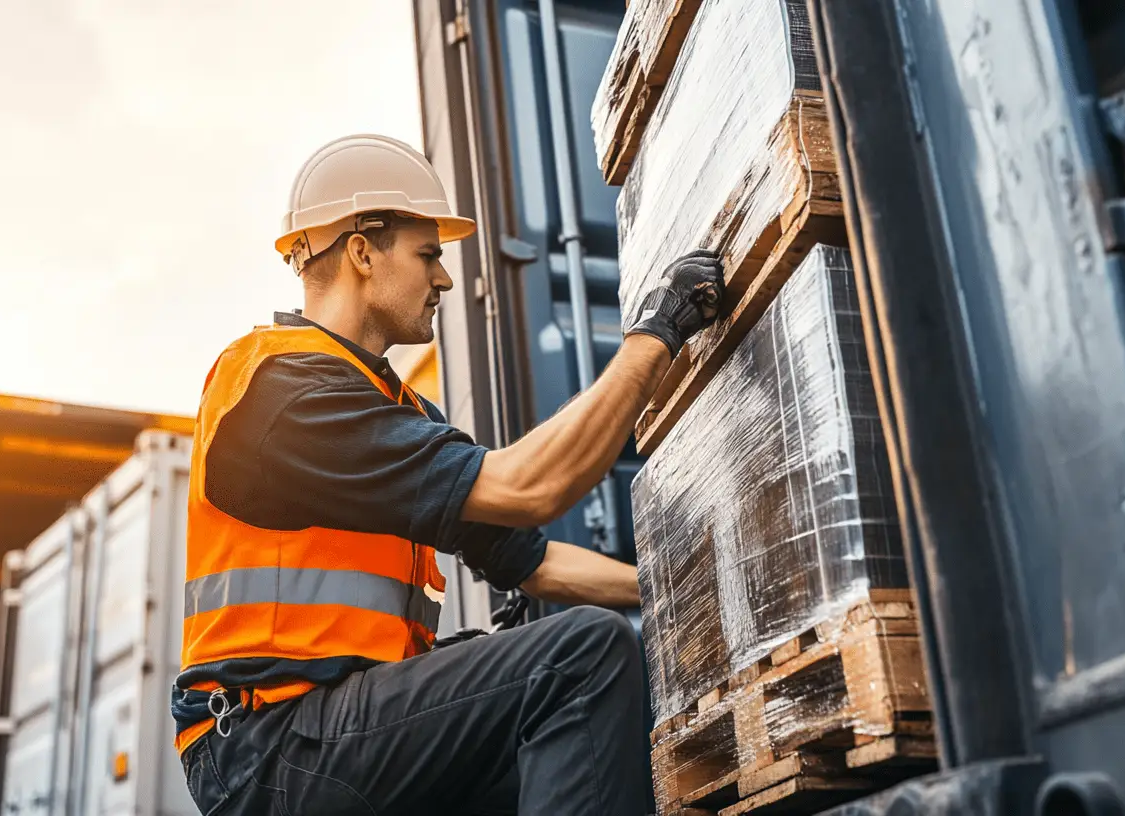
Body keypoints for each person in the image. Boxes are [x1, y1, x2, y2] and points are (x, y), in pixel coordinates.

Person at [174, 134, 724, 816]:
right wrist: (655, 335)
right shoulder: (282, 391)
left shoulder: (390, 409)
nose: (444, 279)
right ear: (361, 251)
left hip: (331, 733)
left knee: (563, 727)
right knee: (582, 655)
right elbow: (532, 488)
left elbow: (534, 561)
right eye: (428, 255)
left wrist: (676, 594)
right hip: (267, 747)